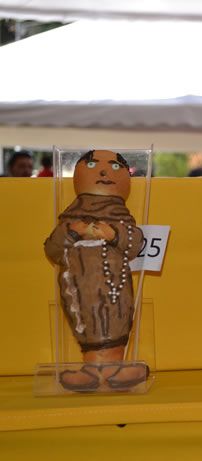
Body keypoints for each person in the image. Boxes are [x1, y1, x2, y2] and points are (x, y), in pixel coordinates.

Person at [44, 150, 147, 391]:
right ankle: (92, 369)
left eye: (114, 166)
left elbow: (135, 243)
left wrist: (114, 234)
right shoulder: (70, 217)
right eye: (91, 165)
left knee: (114, 318)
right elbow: (52, 249)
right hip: (78, 285)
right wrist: (73, 232)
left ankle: (114, 368)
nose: (103, 171)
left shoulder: (122, 218)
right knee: (85, 320)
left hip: (114, 284)